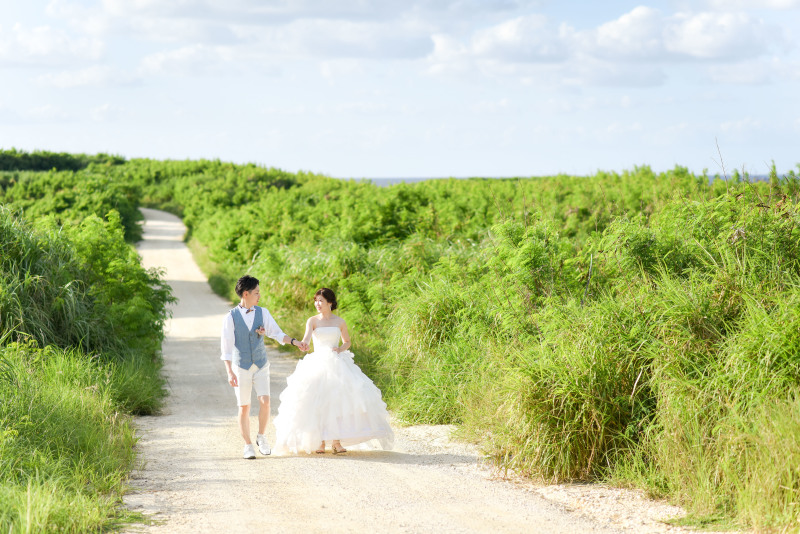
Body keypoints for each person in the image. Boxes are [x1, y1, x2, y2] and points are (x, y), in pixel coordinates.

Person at [272, 288, 394, 455]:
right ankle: (320, 442)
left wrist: (340, 349)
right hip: (318, 362)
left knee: (339, 399)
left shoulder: (340, 322)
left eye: (321, 300)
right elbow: (307, 339)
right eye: (316, 301)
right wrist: (303, 344)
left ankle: (336, 442)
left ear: (330, 302)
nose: (317, 304)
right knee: (319, 399)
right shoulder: (312, 321)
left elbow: (347, 342)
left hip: (337, 362)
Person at [221, 275, 308, 459]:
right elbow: (226, 348)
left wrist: (295, 342)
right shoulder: (231, 317)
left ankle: (261, 436)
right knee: (244, 406)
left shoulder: (263, 312)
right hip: (241, 366)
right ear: (246, 293)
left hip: (261, 364)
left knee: (265, 402)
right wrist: (229, 372)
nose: (259, 296)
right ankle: (247, 445)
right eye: (256, 293)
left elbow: (277, 333)